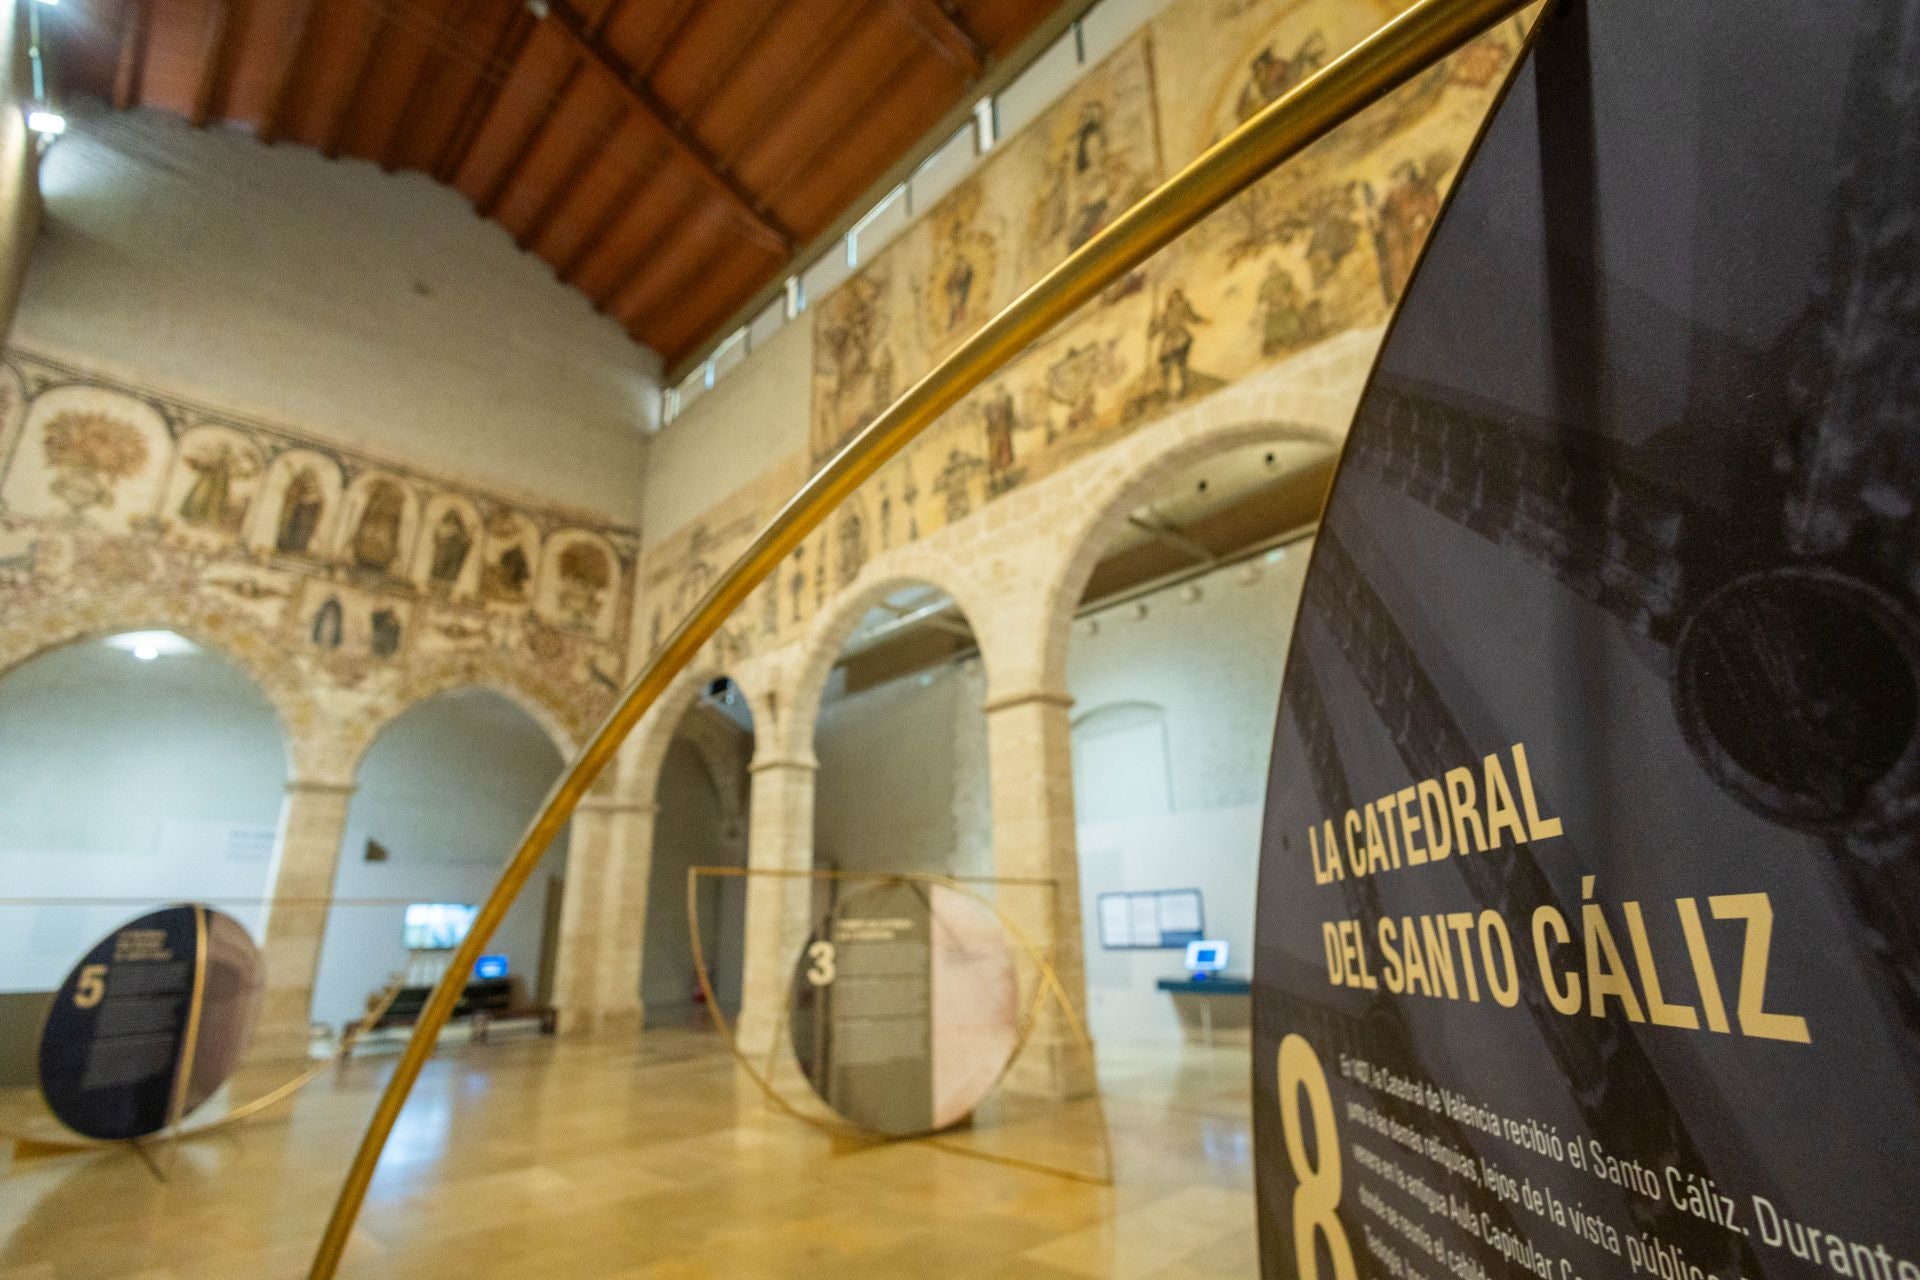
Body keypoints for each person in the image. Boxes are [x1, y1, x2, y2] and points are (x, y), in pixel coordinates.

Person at [1150, 287, 1209, 399]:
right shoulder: (1165, 314)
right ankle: (1168, 391)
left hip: (1181, 339)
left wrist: (1204, 320)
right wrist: (1152, 322)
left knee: (1181, 365)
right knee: (1165, 365)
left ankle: (1184, 389)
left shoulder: (1183, 306)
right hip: (1168, 343)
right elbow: (1152, 333)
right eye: (1172, 298)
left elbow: (1192, 317)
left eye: (1176, 297)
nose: (1174, 300)